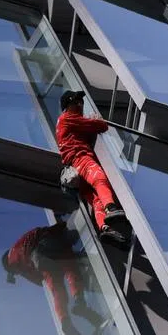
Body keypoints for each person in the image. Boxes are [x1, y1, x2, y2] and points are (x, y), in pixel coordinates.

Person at [1, 220, 110, 335]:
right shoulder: (19, 244)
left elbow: (38, 280)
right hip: (47, 246)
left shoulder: (17, 265)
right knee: (71, 269)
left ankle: (67, 325)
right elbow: (41, 231)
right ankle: (79, 302)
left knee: (57, 291)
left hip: (39, 261)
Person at [56, 90, 128, 247]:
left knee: (95, 200)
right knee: (99, 178)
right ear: (69, 105)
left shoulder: (67, 122)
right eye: (77, 102)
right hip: (80, 159)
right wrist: (97, 121)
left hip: (74, 171)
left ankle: (105, 227)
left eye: (81, 102)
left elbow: (87, 131)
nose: (81, 104)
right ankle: (111, 208)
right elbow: (100, 126)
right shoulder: (67, 118)